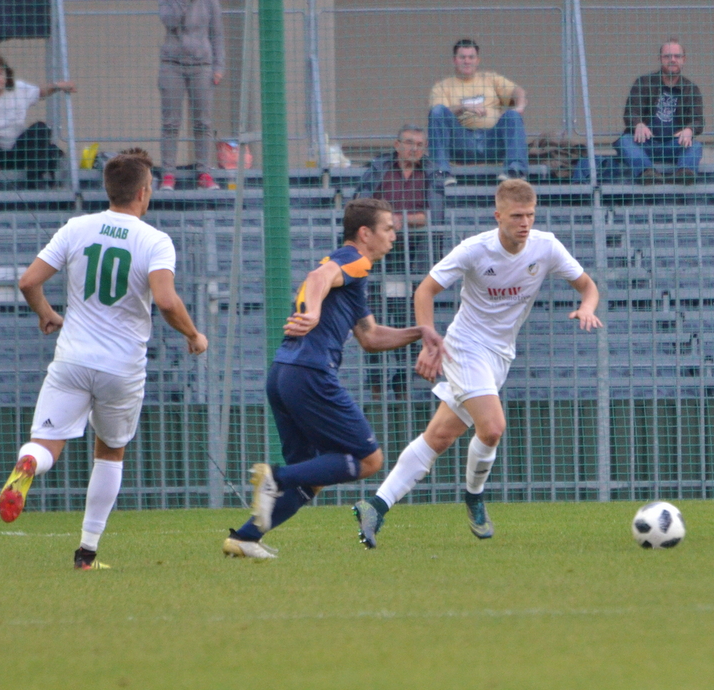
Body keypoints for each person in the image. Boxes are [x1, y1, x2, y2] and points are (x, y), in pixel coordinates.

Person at [352, 179, 603, 548]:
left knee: (439, 436)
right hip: (465, 347)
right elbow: (426, 289)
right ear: (498, 215)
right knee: (493, 427)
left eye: (530, 215)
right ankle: (474, 497)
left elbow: (588, 286)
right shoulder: (475, 250)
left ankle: (375, 505)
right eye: (517, 215)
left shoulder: (546, 247)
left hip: (500, 355)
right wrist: (428, 339)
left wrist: (586, 307)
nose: (525, 223)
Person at [0, 148, 209, 570]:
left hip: (72, 359)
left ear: (109, 189)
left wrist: (47, 314)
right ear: (144, 193)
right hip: (121, 368)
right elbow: (166, 300)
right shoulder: (154, 240)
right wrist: (193, 334)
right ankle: (86, 554)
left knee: (45, 444)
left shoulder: (78, 227)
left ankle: (28, 465)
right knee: (110, 452)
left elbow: (28, 281)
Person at [224, 199, 437, 560]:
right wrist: (312, 312)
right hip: (310, 373)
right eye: (388, 228)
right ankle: (275, 476)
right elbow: (316, 278)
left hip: (285, 374)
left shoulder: (356, 276)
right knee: (368, 460)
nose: (394, 235)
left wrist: (422, 332)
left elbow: (370, 337)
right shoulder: (353, 258)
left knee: (313, 478)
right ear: (365, 233)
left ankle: (245, 537)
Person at [356, 124, 447, 399]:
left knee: (408, 321)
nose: (414, 149)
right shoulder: (379, 169)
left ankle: (402, 382)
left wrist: (400, 220)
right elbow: (362, 205)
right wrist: (390, 222)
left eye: (419, 145)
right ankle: (375, 385)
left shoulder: (430, 174)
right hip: (380, 257)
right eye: (409, 143)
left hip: (414, 258)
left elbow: (435, 215)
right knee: (375, 321)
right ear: (397, 145)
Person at [0, 54, 75, 186]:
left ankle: (35, 178)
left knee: (40, 128)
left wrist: (59, 86)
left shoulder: (19, 89)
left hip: (18, 153)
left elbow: (41, 92)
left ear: (6, 76)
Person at [157, 0, 225, 191]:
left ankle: (204, 173)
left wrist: (218, 66)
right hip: (172, 65)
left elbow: (217, 34)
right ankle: (168, 175)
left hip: (201, 66)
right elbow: (170, 21)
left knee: (203, 122)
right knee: (171, 122)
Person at [428, 38, 529, 186]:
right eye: (462, 57)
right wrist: (464, 108)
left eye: (471, 57)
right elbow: (438, 115)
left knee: (512, 116)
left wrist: (519, 107)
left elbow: (518, 91)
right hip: (462, 142)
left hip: (492, 141)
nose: (467, 61)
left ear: (478, 60)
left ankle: (515, 171)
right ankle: (442, 172)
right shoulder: (442, 86)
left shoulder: (490, 79)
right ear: (454, 60)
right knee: (437, 111)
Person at [614, 39, 704, 186]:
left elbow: (698, 120)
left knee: (695, 146)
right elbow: (630, 112)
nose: (672, 60)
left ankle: (684, 174)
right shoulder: (643, 83)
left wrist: (689, 129)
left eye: (677, 56)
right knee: (625, 141)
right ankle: (647, 173)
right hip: (645, 143)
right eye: (667, 56)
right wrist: (638, 125)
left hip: (674, 144)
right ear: (660, 59)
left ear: (684, 60)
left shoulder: (691, 89)